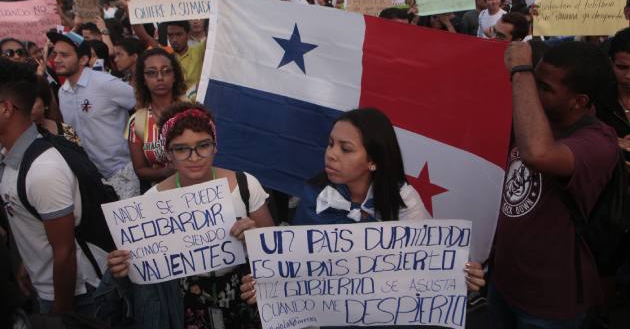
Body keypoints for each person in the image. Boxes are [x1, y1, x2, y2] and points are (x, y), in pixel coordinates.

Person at [240, 108, 486, 310]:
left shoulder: (404, 201)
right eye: (330, 144)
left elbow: (431, 263)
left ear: (373, 161)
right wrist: (267, 278)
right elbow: (296, 260)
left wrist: (461, 275)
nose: (331, 155)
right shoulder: (316, 194)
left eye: (345, 149)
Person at [108, 102, 274, 329]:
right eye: (181, 148)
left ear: (215, 146)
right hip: (182, 299)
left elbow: (274, 246)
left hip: (244, 291)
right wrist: (123, 266)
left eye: (203, 145)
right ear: (168, 153)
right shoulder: (151, 200)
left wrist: (255, 236)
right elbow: (142, 262)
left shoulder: (245, 184)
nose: (194, 157)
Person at [490, 41, 618, 326]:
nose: (531, 92)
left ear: (579, 101)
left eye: (544, 88)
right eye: (534, 81)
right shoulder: (530, 117)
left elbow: (537, 153)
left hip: (550, 304)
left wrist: (521, 71)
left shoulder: (599, 142)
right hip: (502, 284)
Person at [0, 58, 106, 314]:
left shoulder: (43, 169)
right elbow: (36, 225)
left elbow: (65, 252)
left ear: (5, 108)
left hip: (78, 296)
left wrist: (61, 314)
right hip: (48, 286)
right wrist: (31, 262)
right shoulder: (11, 156)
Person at [49, 30, 140, 200]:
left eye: (64, 55)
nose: (57, 60)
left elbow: (143, 105)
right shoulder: (63, 93)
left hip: (123, 173)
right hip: (93, 179)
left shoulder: (105, 83)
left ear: (83, 59)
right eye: (55, 54)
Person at [126, 48, 187, 187]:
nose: (160, 77)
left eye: (166, 71)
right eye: (152, 73)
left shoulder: (192, 109)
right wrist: (166, 172)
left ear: (175, 76)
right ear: (143, 80)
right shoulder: (136, 123)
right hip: (164, 197)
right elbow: (140, 169)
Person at [31, 74, 80, 145]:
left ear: (45, 103)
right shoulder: (17, 137)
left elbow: (79, 153)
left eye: (32, 101)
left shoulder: (66, 130)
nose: (27, 106)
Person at [167, 21, 205, 91]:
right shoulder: (166, 58)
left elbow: (213, 31)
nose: (174, 39)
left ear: (188, 35)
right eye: (170, 35)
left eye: (179, 34)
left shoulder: (200, 50)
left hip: (199, 100)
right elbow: (147, 39)